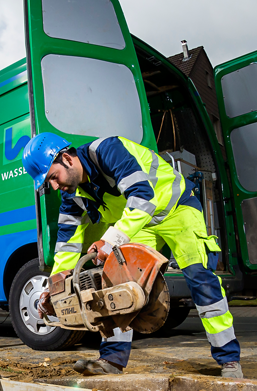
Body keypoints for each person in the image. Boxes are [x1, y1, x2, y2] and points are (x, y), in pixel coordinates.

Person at [21, 132, 243, 378]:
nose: (53, 186)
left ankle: (229, 360)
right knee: (116, 285)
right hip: (140, 224)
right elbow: (67, 243)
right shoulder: (72, 195)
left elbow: (143, 197)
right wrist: (53, 286)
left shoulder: (107, 151)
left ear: (66, 158)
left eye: (53, 177)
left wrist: (110, 241)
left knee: (200, 277)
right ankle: (112, 360)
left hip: (177, 209)